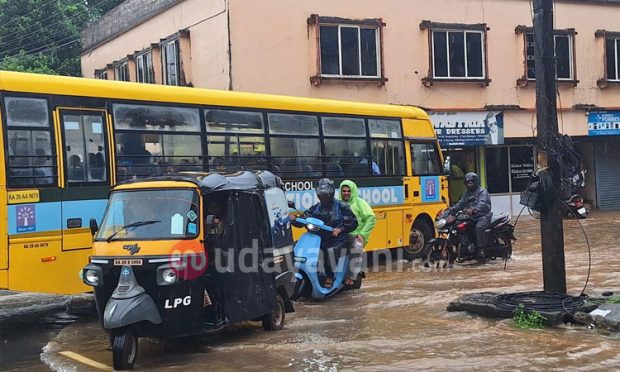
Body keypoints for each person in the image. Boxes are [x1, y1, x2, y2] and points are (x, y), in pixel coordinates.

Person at [291, 178, 358, 288]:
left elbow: (353, 222)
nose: (323, 197)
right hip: (319, 238)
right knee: (297, 246)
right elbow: (304, 218)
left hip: (337, 238)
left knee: (331, 251)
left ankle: (330, 277)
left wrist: (340, 229)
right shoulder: (316, 208)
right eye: (321, 195)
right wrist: (294, 219)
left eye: (325, 195)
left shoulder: (342, 206)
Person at [339, 180, 376, 286]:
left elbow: (371, 218)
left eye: (349, 191)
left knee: (357, 247)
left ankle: (351, 277)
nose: (346, 193)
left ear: (353, 191)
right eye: (344, 191)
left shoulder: (360, 203)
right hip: (339, 235)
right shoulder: (336, 204)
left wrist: (362, 233)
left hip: (355, 235)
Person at [447, 172, 492, 258]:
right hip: (471, 217)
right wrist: (451, 209)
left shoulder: (482, 192)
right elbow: (460, 203)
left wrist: (473, 210)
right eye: (467, 182)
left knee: (479, 227)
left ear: (475, 182)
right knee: (459, 225)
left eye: (470, 182)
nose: (468, 184)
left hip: (483, 216)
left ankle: (480, 249)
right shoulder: (466, 193)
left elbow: (482, 204)